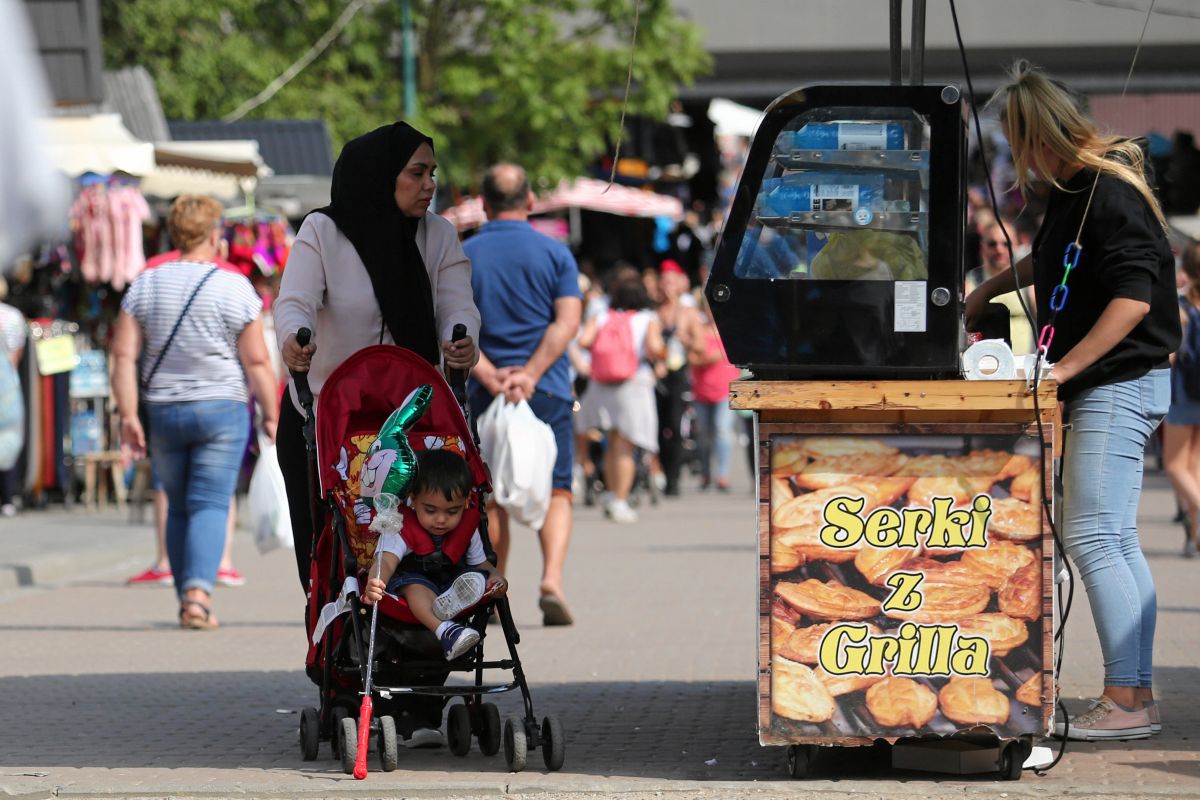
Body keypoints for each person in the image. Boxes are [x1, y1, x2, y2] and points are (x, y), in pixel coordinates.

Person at [966, 61, 1180, 740]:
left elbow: (1134, 297)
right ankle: (1134, 692)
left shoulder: (1107, 192)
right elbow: (1060, 259)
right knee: (1112, 537)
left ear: (1036, 134)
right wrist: (991, 284)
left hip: (1118, 380)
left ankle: (1125, 701)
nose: (1011, 157)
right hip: (1119, 380)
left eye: (1013, 142)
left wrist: (1061, 370)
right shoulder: (1076, 189)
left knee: (1092, 536)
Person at [274, 121, 479, 592]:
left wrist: (460, 339)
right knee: (325, 547)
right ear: (381, 175)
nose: (430, 185)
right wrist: (293, 339)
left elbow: (456, 304)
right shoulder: (323, 231)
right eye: (416, 173)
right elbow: (295, 300)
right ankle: (333, 632)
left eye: (433, 173)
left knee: (422, 540)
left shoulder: (438, 236)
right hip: (326, 420)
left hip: (413, 425)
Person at [112, 194, 279, 630]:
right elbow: (257, 361)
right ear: (214, 234)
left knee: (178, 502)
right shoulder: (234, 285)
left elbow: (123, 356)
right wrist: (272, 413)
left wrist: (128, 414)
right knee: (210, 501)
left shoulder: (145, 284)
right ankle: (197, 597)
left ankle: (185, 591)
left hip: (163, 410)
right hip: (222, 409)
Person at [466, 163, 581, 626]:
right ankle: (551, 578)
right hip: (548, 389)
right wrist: (531, 373)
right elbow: (567, 322)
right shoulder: (555, 254)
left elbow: (451, 329)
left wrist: (493, 376)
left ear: (484, 203)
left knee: (489, 497)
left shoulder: (464, 255)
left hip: (484, 393)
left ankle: (495, 584)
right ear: (530, 202)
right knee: (557, 488)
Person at [362, 449, 507, 659]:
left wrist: (495, 576)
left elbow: (481, 563)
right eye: (431, 510)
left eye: (452, 511)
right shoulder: (401, 526)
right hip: (413, 579)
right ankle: (446, 631)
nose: (441, 520)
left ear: (466, 502)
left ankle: (452, 600)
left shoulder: (467, 528)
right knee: (415, 588)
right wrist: (377, 581)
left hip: (450, 580)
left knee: (477, 577)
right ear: (413, 499)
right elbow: (386, 561)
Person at [575, 276, 665, 523]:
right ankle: (620, 500)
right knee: (626, 445)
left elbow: (583, 341)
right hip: (633, 384)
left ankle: (612, 493)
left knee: (612, 441)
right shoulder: (647, 319)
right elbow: (655, 348)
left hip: (602, 385)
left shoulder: (601, 317)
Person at [1163, 242, 1200, 557]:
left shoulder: (1182, 307)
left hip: (1185, 393)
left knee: (1175, 465)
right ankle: (1194, 534)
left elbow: (1171, 356)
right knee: (1194, 465)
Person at [654, 259, 698, 496]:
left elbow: (699, 344)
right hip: (656, 375)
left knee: (675, 425)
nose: (667, 287)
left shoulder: (687, 312)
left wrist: (685, 337)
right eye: (664, 282)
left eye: (671, 282)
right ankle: (663, 471)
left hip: (679, 375)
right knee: (657, 428)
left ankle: (673, 477)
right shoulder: (653, 311)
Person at [964, 219, 1037, 355]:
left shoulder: (1028, 283)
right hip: (983, 364)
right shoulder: (970, 281)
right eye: (992, 244)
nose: (999, 249)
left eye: (1006, 244)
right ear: (982, 247)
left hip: (1023, 365)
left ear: (1016, 246)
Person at [689, 297, 739, 492]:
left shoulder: (729, 330)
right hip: (701, 390)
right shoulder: (698, 331)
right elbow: (692, 358)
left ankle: (723, 475)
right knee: (702, 435)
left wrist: (705, 356)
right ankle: (705, 473)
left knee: (722, 430)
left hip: (724, 389)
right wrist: (711, 357)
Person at [0, 279, 25, 517]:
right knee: (9, 438)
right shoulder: (13, 316)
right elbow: (16, 353)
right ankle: (7, 497)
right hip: (6, 383)